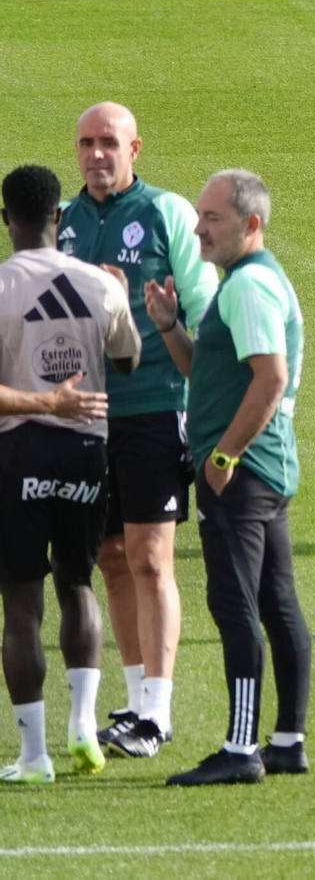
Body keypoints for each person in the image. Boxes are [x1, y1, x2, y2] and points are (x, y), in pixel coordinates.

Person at [59, 102, 217, 756]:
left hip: (155, 402)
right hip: (87, 414)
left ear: (136, 148)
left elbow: (203, 310)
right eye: (87, 144)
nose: (97, 154)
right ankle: (130, 703)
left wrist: (165, 320)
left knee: (152, 558)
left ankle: (158, 709)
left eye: (110, 143)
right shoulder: (64, 224)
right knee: (109, 556)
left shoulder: (165, 213)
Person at [146, 170, 311, 785]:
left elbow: (268, 378)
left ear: (252, 223)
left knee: (236, 604)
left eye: (212, 218)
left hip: (243, 471)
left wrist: (222, 457)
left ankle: (242, 749)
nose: (198, 228)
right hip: (265, 465)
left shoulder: (247, 288)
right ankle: (288, 739)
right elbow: (207, 371)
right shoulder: (247, 282)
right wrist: (169, 325)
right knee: (275, 600)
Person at [0, 164, 142, 783]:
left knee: (22, 603)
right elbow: (129, 359)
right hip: (88, 449)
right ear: (60, 216)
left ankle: (34, 757)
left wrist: (43, 401)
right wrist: (118, 294)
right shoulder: (97, 283)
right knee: (78, 584)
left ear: (6, 220)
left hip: (18, 452)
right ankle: (83, 725)